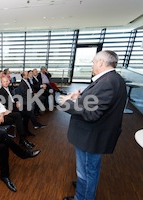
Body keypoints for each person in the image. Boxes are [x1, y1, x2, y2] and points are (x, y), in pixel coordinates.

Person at [59, 50, 127, 200]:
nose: (92, 65)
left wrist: (68, 103)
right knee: (86, 171)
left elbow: (92, 114)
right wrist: (80, 97)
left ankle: (82, 197)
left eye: (93, 62)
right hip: (93, 135)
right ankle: (83, 191)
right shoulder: (113, 79)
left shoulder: (108, 82)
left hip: (92, 137)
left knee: (87, 172)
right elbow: (98, 103)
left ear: (101, 63)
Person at [0, 82, 35, 149]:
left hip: (2, 115)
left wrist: (4, 112)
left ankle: (23, 139)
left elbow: (2, 108)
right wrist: (3, 114)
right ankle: (23, 140)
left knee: (17, 115)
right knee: (17, 116)